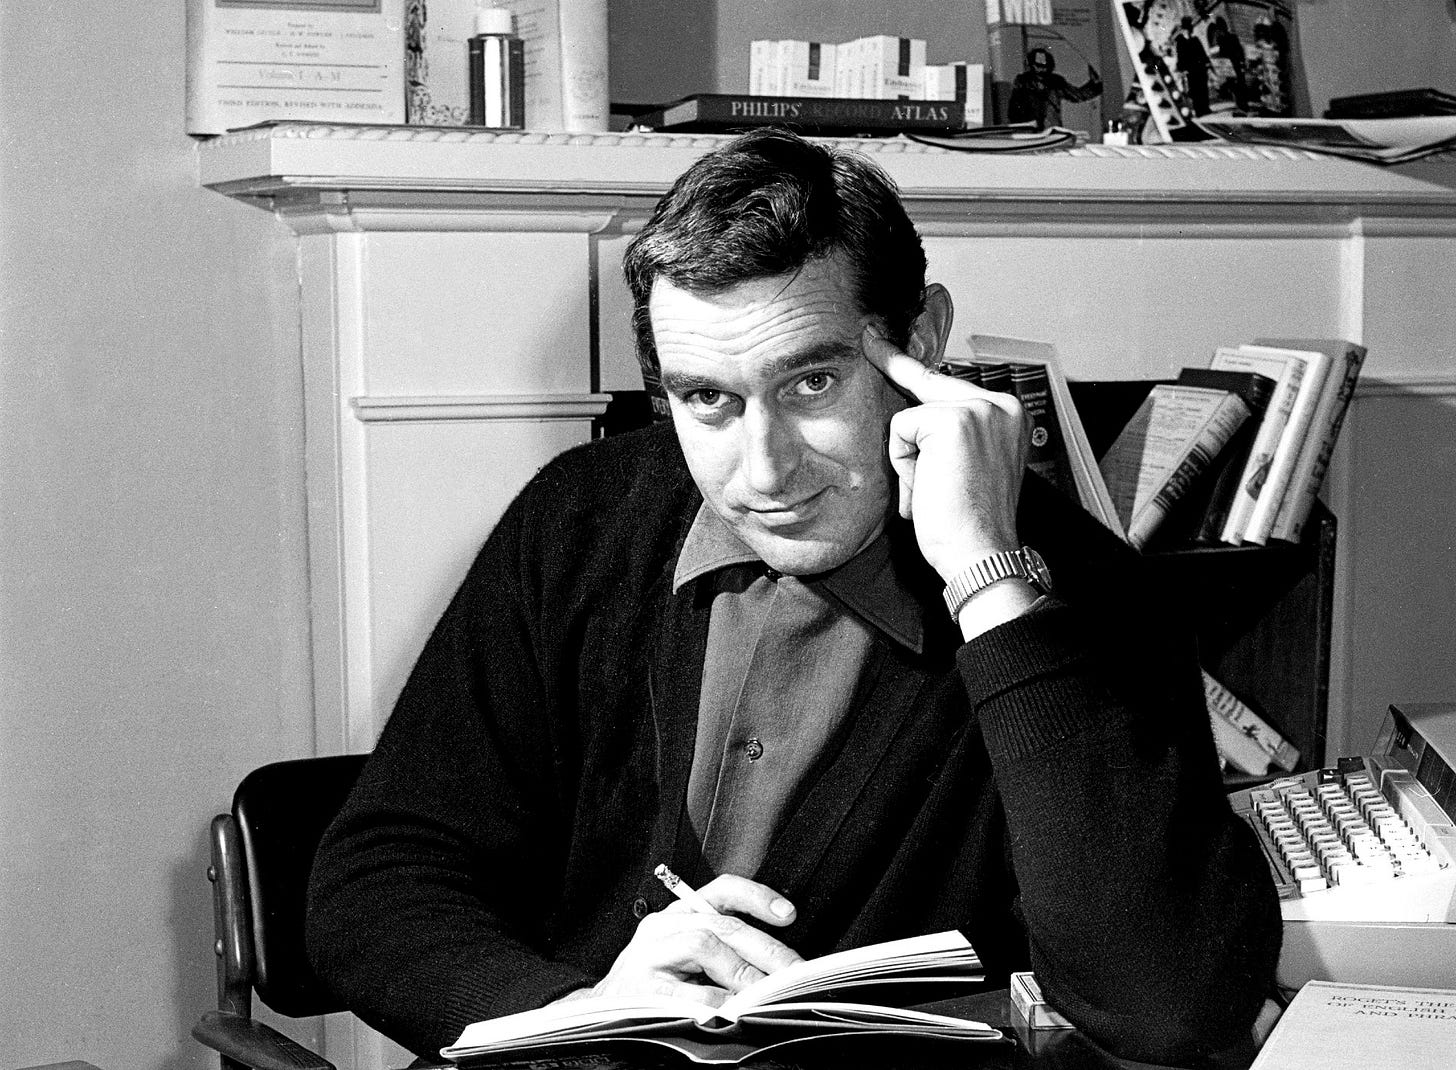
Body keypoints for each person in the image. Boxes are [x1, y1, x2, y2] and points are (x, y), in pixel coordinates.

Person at [305, 128, 1280, 1065]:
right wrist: (583, 1016)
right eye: (708, 400)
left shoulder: (1076, 591)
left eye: (810, 382)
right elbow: (374, 879)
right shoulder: (579, 522)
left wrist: (988, 585)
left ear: (924, 340)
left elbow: (1170, 1007)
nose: (763, 468)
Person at [1006, 47, 1103, 128]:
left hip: (1051, 133)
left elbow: (1077, 95)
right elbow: (1013, 111)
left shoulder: (1056, 82)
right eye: (1038, 66)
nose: (1041, 69)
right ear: (1032, 65)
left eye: (1044, 66)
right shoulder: (1023, 82)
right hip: (1031, 133)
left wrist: (1095, 85)